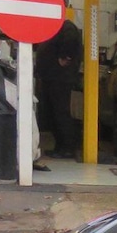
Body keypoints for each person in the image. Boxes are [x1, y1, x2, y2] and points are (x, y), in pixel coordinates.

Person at [35, 15, 83, 158]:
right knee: (52, 113)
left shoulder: (67, 27)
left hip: (60, 78)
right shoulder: (56, 28)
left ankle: (67, 148)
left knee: (60, 112)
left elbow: (70, 42)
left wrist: (65, 57)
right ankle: (61, 146)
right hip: (51, 77)